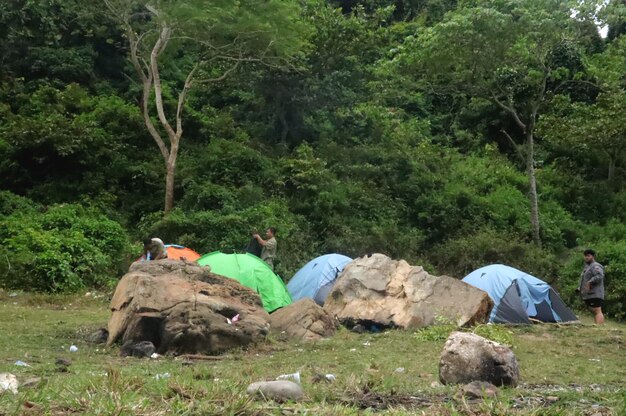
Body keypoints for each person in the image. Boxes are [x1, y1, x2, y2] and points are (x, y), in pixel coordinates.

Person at [578, 248, 605, 325]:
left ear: (593, 256)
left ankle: (599, 327)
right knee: (593, 310)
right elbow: (584, 281)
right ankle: (599, 326)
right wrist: (579, 288)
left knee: (597, 310)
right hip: (589, 294)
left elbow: (599, 276)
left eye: (588, 256)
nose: (586, 257)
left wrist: (590, 281)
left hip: (595, 293)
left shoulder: (595, 266)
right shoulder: (587, 267)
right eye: (585, 256)